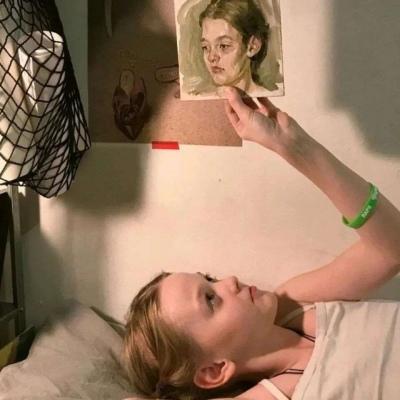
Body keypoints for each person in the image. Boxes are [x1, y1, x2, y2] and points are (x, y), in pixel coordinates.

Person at [122, 86, 400, 400]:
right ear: (214, 370)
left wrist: (296, 149)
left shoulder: (293, 304)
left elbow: (390, 251)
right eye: (211, 300)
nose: (229, 281)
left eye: (210, 279)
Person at [198, 0, 270, 95]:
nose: (211, 57)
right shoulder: (200, 98)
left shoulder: (270, 98)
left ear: (253, 46)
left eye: (223, 46)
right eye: (205, 47)